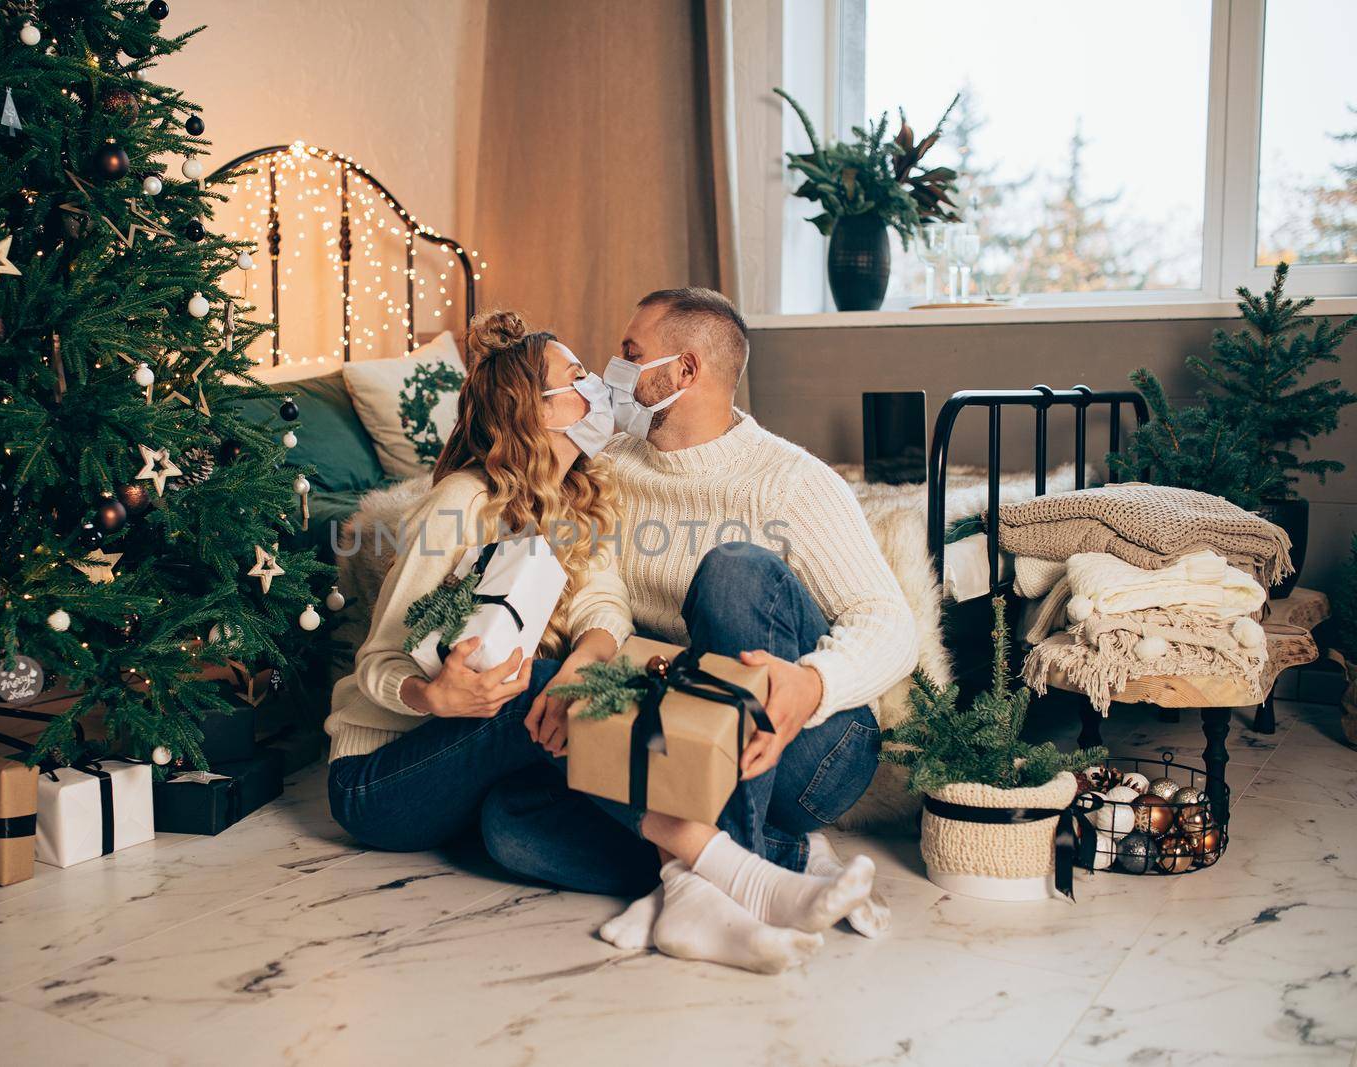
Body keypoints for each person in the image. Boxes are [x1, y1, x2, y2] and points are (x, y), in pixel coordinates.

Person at [479, 287, 919, 971]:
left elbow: (891, 622)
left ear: (684, 371)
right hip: (675, 740)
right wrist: (588, 661)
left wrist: (813, 680)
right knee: (509, 823)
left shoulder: (790, 481)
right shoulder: (614, 466)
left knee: (735, 573)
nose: (611, 370)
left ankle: (698, 887)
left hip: (806, 745)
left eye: (630, 354)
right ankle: (771, 866)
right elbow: (602, 590)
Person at [323, 310, 647, 878]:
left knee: (512, 831)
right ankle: (710, 846)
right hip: (378, 779)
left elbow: (605, 601)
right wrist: (431, 697)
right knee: (539, 686)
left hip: (473, 767)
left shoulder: (579, 499)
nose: (596, 387)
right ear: (534, 410)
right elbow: (377, 661)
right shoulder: (463, 502)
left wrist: (584, 660)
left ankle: (693, 872)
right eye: (577, 379)